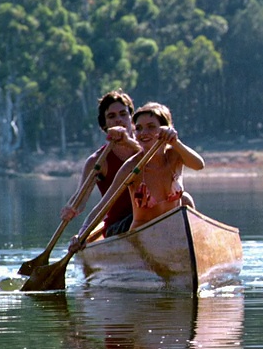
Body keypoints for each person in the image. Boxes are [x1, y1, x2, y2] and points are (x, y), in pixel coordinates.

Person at [69, 102, 204, 251]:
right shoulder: (131, 166)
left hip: (171, 234)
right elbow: (103, 206)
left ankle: (194, 249)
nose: (143, 133)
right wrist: (81, 235)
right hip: (141, 239)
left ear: (165, 129)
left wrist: (175, 141)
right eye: (138, 128)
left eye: (151, 127)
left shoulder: (175, 155)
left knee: (186, 200)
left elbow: (199, 165)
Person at [60, 89, 140, 239]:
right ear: (105, 125)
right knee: (136, 220)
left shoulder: (149, 149)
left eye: (123, 114)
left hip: (152, 218)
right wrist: (72, 208)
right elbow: (81, 198)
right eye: (112, 116)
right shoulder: (97, 161)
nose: (119, 120)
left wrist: (129, 142)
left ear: (132, 119)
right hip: (120, 226)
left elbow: (155, 160)